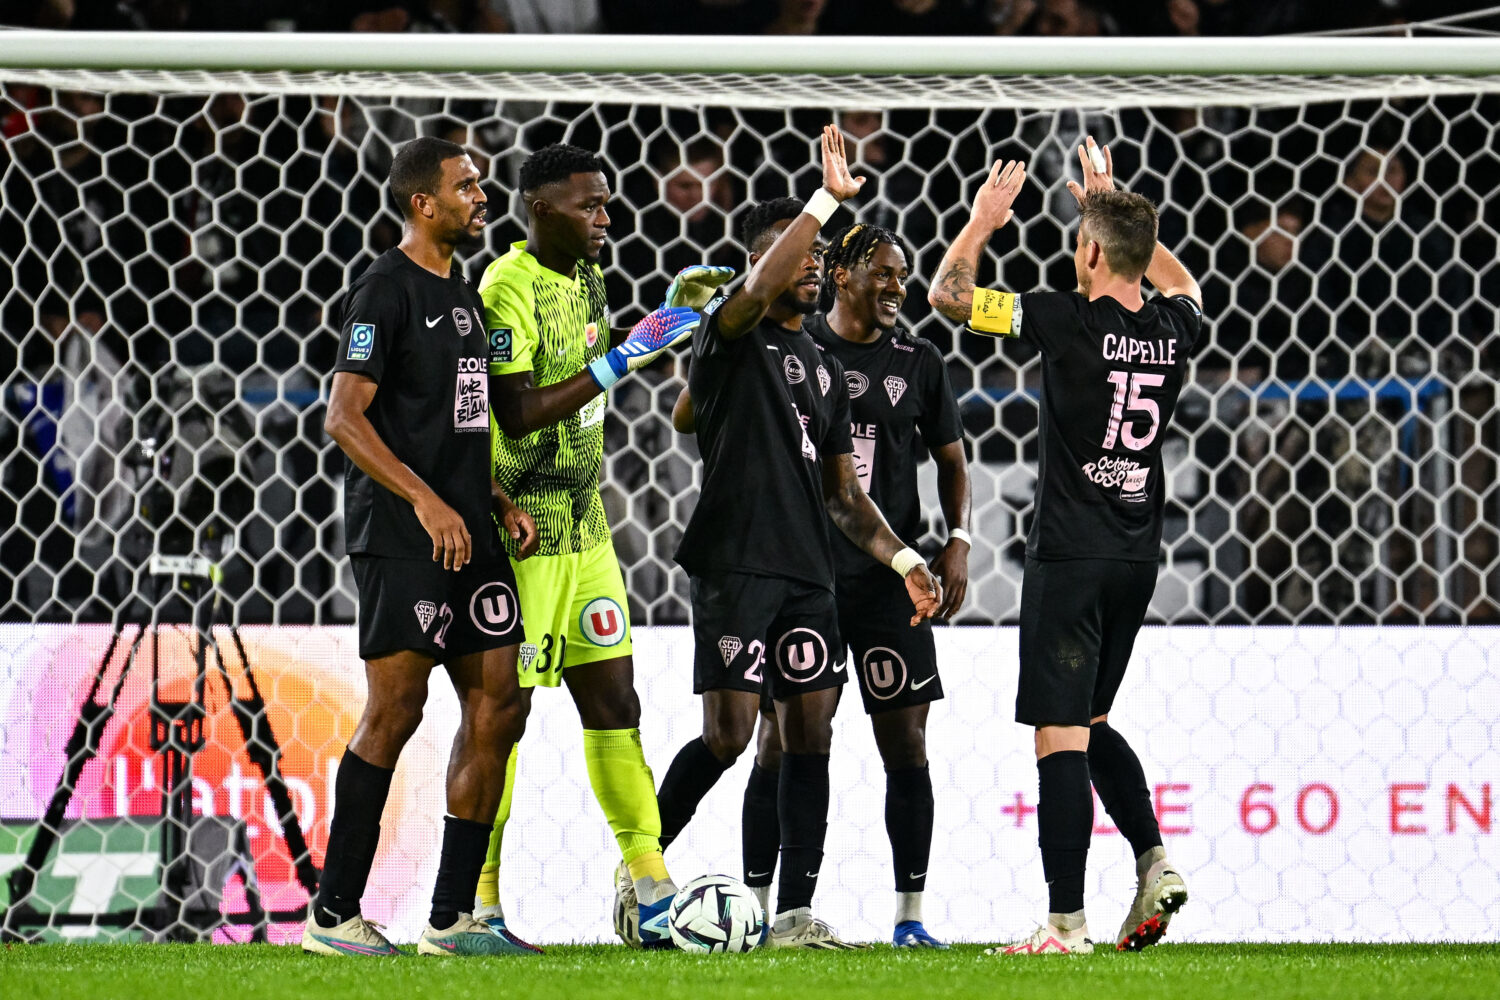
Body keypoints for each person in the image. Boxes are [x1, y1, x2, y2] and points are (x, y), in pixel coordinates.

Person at [655, 125, 942, 950]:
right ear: (767, 265)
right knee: (731, 735)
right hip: (736, 564)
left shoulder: (822, 366)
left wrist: (906, 556)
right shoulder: (728, 335)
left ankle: (792, 915)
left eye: (820, 260)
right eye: (802, 259)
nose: (814, 268)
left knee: (810, 731)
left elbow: (846, 497)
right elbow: (750, 296)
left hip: (811, 573)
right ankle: (642, 869)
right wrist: (821, 205)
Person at [928, 138, 1199, 954]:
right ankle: (1153, 858)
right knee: (1093, 716)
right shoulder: (1175, 326)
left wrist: (981, 222)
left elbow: (949, 296)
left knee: (1060, 735)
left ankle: (1065, 925)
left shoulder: (1061, 318)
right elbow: (1181, 281)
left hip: (1070, 553)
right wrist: (1114, 210)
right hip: (1135, 555)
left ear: (1086, 252)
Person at [306, 136, 538, 958]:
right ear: (422, 204)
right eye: (466, 185)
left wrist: (491, 497)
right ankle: (332, 917)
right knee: (397, 711)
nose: (482, 195)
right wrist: (430, 501)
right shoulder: (384, 288)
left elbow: (458, 418)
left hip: (470, 530)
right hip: (406, 535)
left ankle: (454, 918)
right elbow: (343, 417)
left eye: (479, 183)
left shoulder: (468, 299)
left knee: (499, 707)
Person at [474, 143, 709, 949]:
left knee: (616, 702)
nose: (605, 217)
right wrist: (626, 356)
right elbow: (518, 412)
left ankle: (649, 887)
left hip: (586, 527)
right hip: (525, 535)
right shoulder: (506, 288)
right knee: (501, 718)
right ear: (540, 207)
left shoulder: (589, 277)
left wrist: (658, 318)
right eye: (588, 206)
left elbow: (591, 369)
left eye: (607, 203)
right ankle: (478, 902)